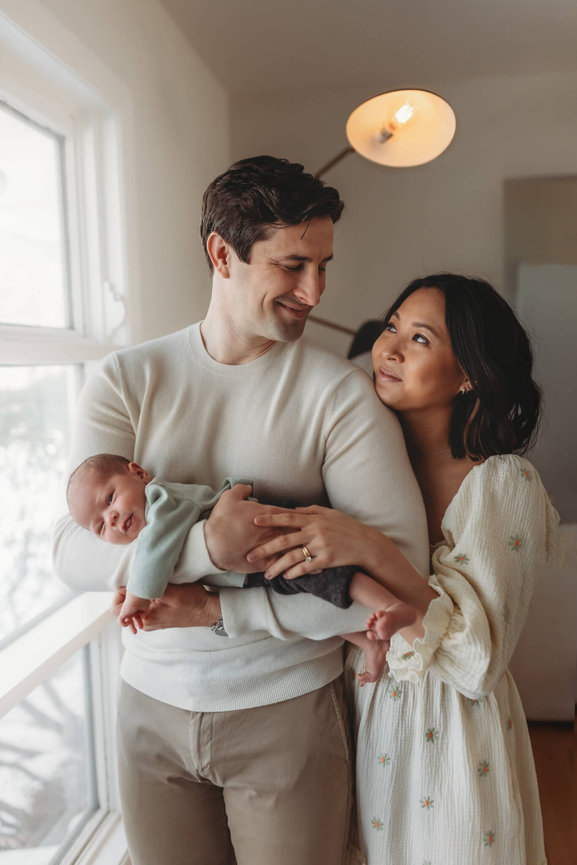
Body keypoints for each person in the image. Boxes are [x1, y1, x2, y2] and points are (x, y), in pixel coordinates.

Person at [53, 155, 429, 865]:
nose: (314, 290)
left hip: (285, 711)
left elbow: (398, 576)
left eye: (322, 265)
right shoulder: (126, 380)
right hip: (147, 708)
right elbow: (70, 551)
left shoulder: (338, 396)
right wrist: (206, 548)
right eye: (291, 265)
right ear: (221, 254)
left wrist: (216, 608)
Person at [241, 273, 553, 865]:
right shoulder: (359, 467)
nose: (388, 348)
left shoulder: (502, 483)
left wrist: (370, 547)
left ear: (468, 374)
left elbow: (478, 661)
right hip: (364, 715)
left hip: (458, 737)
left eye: (419, 339)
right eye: (391, 327)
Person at [66, 452, 416, 680]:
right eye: (100, 526)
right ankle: (369, 643)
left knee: (329, 575)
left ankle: (392, 605)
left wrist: (139, 595)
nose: (111, 518)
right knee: (311, 598)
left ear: (139, 473)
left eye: (110, 498)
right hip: (253, 571)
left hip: (265, 535)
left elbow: (161, 542)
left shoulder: (161, 500)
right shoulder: (144, 536)